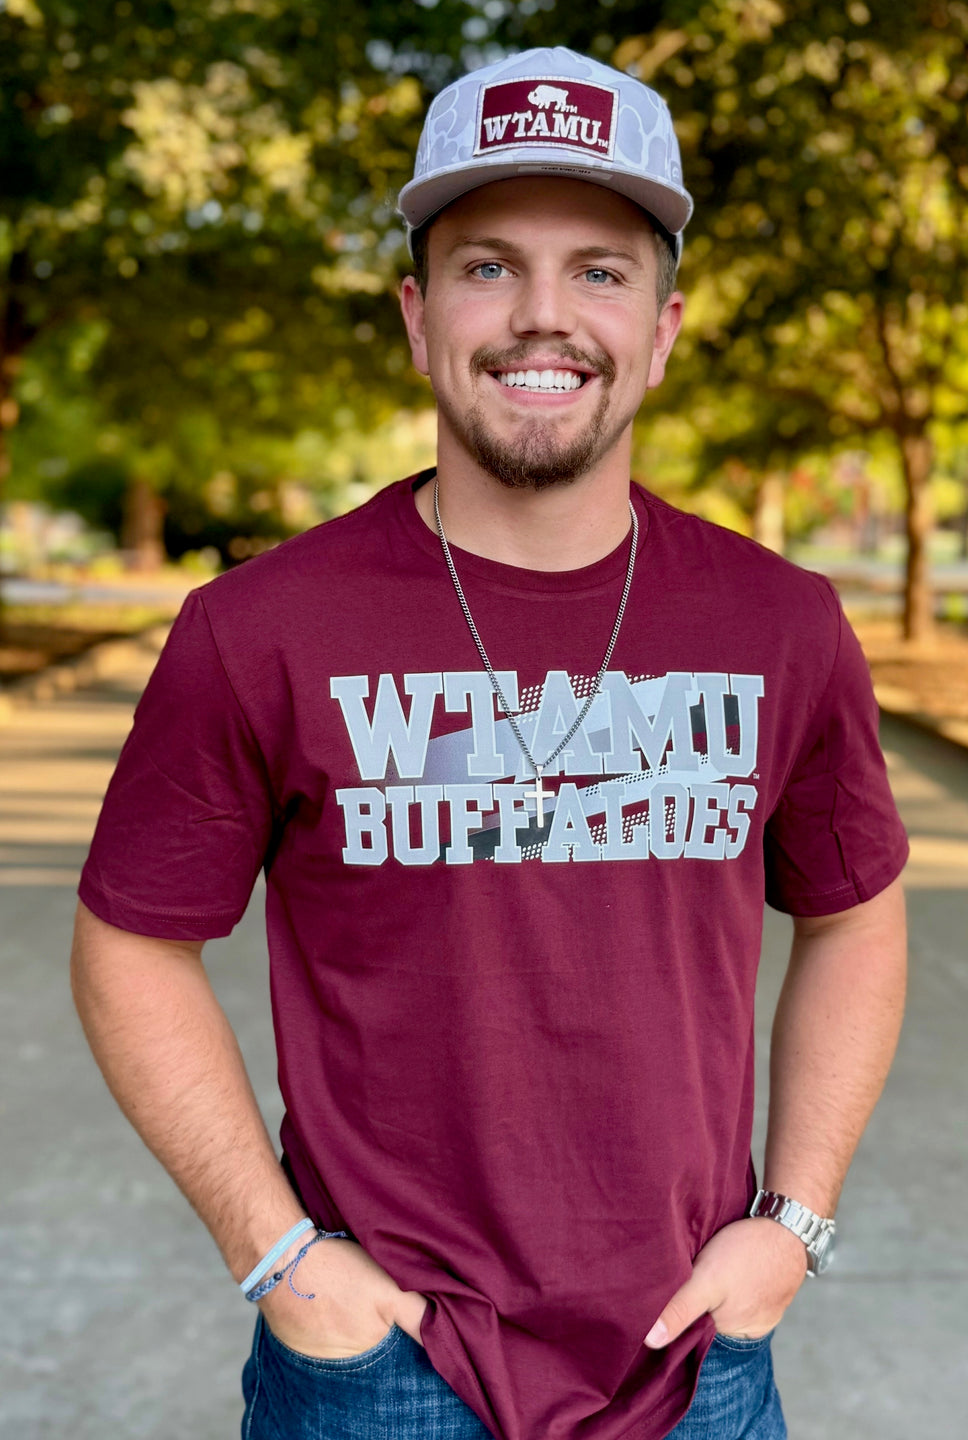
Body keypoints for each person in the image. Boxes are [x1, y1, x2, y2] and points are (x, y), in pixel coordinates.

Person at [71, 45, 908, 1440]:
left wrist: (793, 1223)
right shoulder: (259, 629)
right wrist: (278, 1258)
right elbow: (129, 944)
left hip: (697, 1356)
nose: (541, 317)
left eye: (599, 271)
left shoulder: (785, 623)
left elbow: (859, 919)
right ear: (414, 316)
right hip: (383, 1369)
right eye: (484, 266)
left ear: (665, 325)